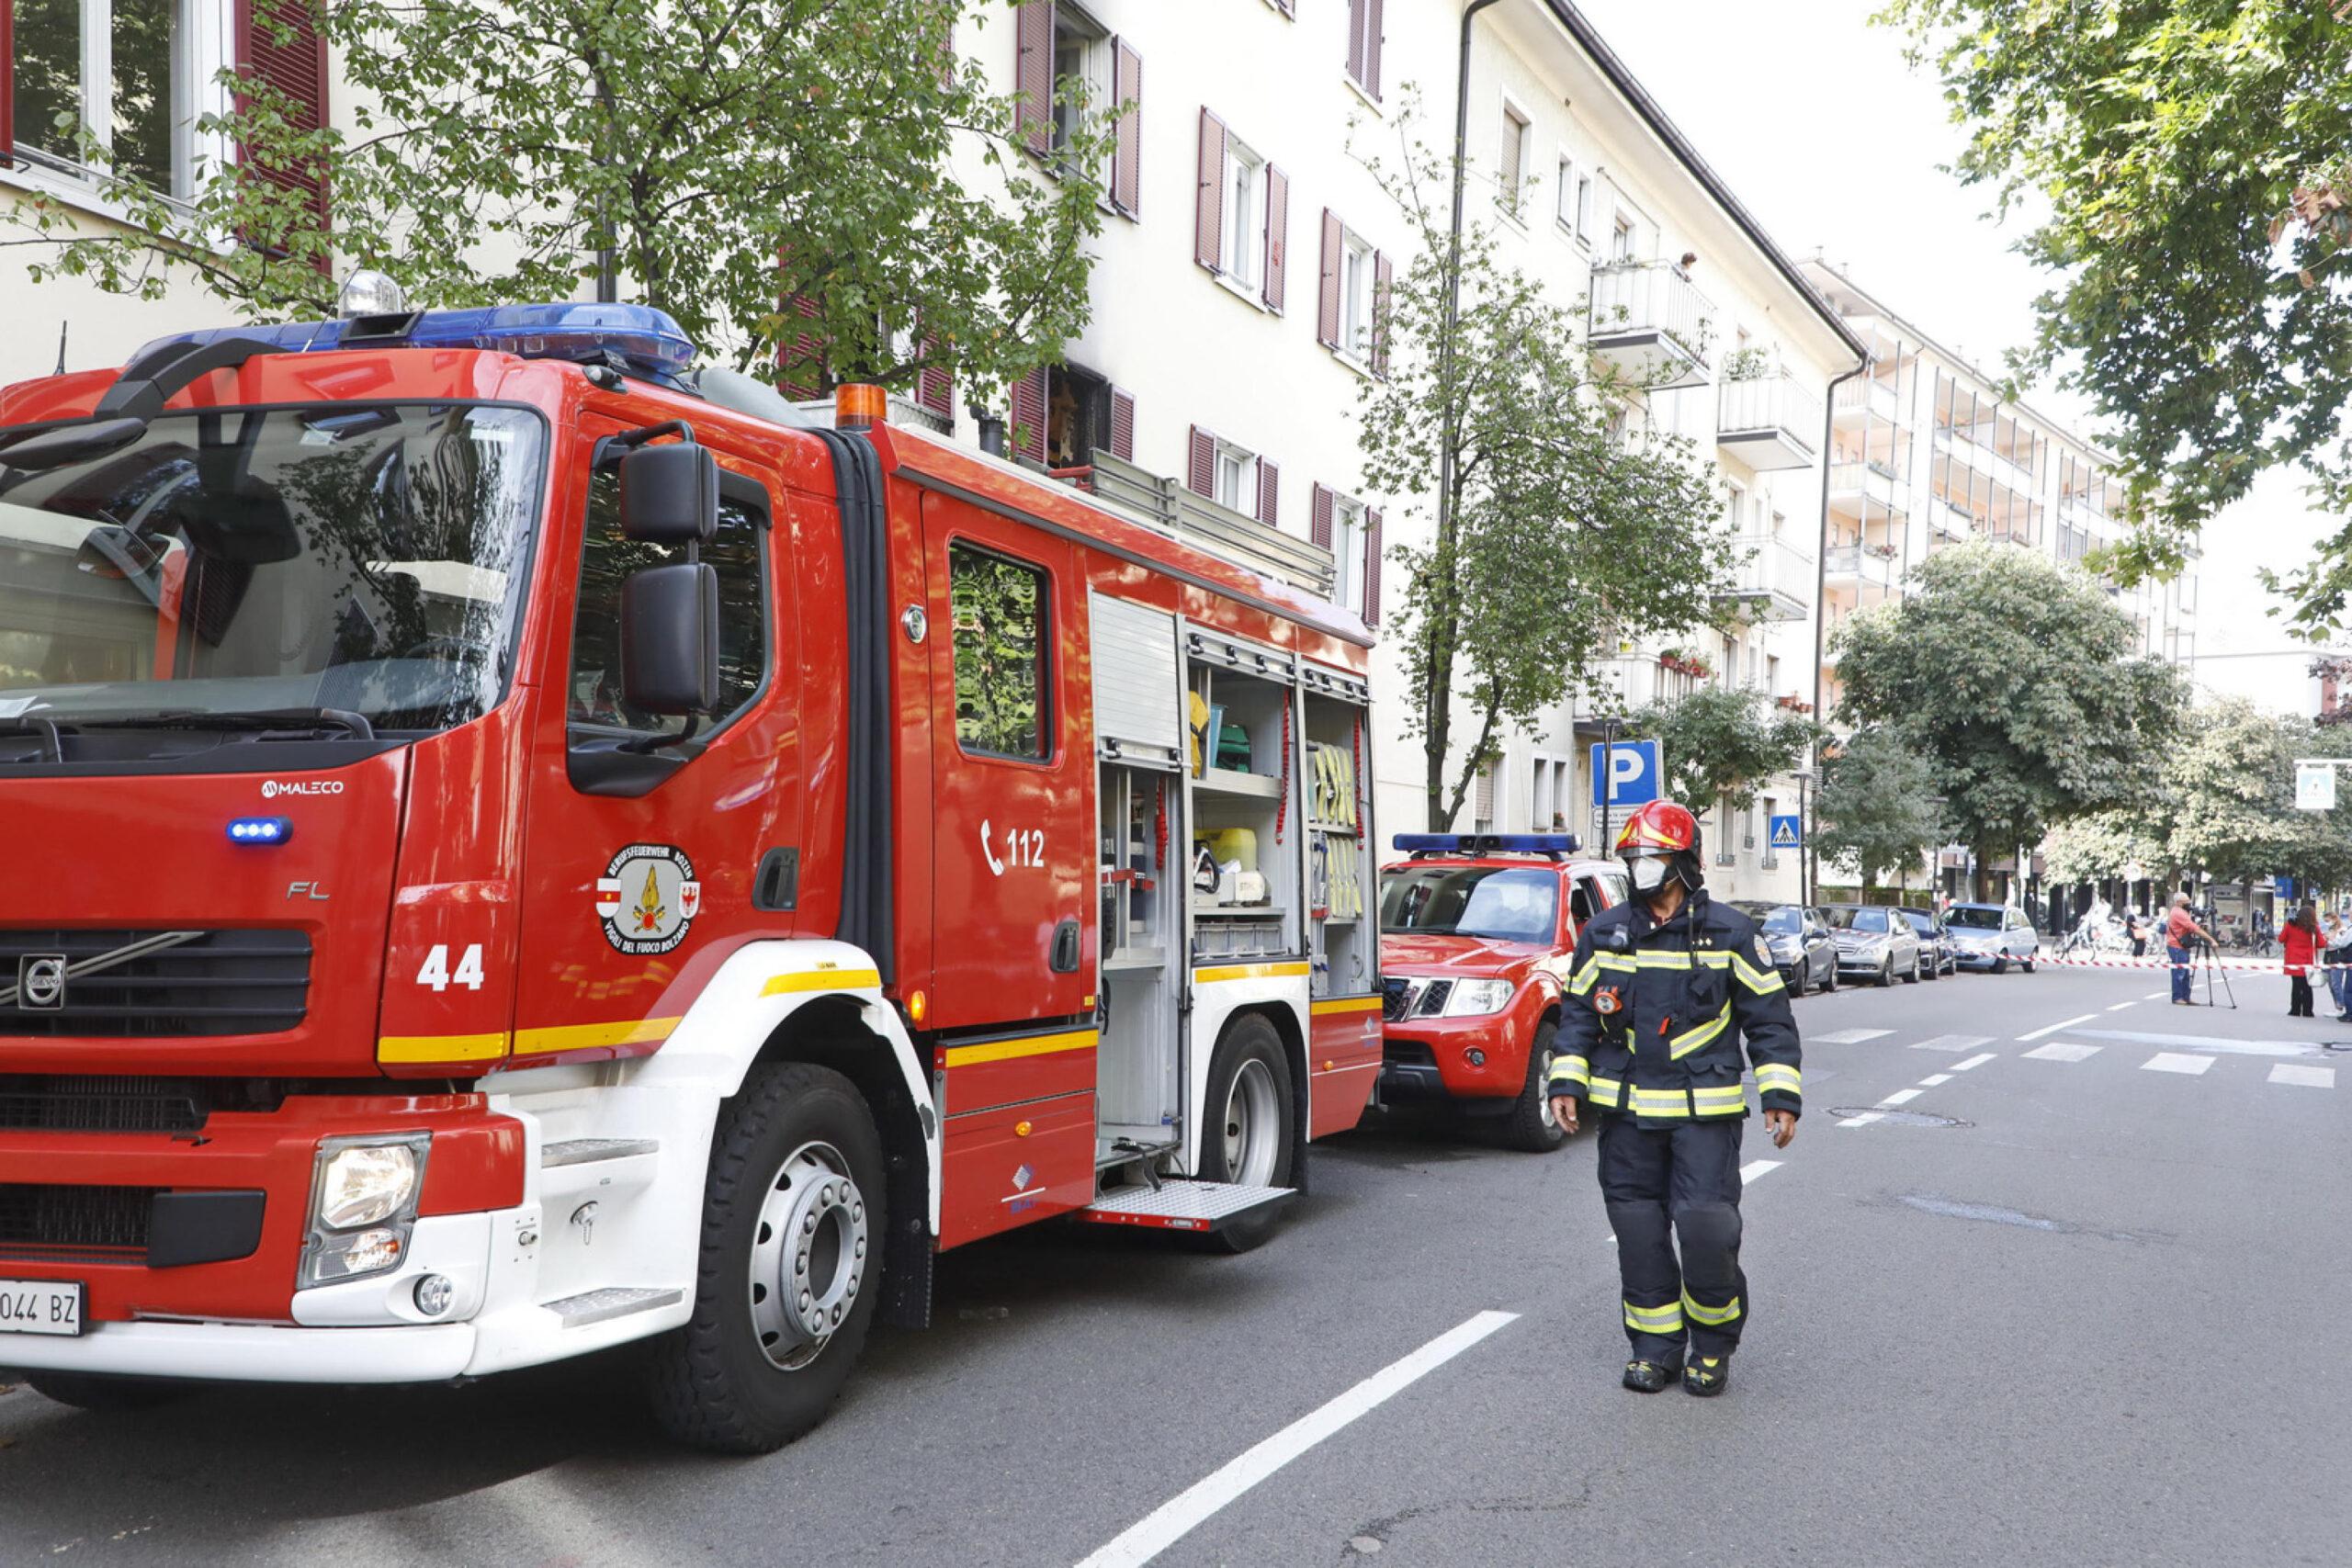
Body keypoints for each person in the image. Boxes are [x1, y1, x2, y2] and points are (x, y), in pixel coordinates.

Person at [1545, 799, 1801, 1399]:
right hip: (1628, 1114)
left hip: (1703, 1116)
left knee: (1706, 1227)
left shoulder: (1733, 933)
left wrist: (1779, 1093)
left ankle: (1711, 1345)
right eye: (1634, 858)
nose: (1642, 868)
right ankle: (1654, 1347)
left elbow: (1769, 1020)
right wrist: (1565, 1081)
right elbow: (1578, 1015)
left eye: (1653, 857)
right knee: (1637, 1232)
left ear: (1685, 862)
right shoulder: (1604, 933)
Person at [2165, 892, 2215, 1006]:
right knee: (2179, 973)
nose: (2189, 903)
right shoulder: (2178, 913)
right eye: (2186, 901)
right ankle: (2178, 997)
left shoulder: (2181, 912)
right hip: (2176, 946)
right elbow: (2193, 928)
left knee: (2185, 973)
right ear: (2179, 902)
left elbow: (2190, 927)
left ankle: (2186, 997)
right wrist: (2211, 940)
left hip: (2181, 946)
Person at [2281, 902, 2321, 1018]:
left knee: (2296, 985)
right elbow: (2321, 943)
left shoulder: (2290, 925)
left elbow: (2281, 938)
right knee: (2307, 986)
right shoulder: (2314, 928)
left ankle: (2295, 1009)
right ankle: (2308, 1011)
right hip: (2308, 960)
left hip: (2293, 959)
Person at [2324, 901, 2352, 1022]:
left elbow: (2341, 943)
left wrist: (2330, 941)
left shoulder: (2345, 929)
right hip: (2339, 959)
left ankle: (2347, 1012)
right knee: (2336, 984)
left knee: (2346, 988)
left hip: (2343, 959)